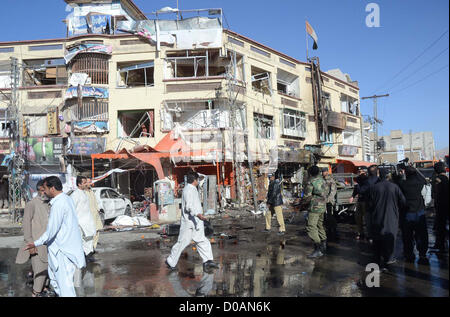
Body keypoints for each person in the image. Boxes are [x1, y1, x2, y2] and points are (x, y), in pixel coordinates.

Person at [24, 176, 86, 297]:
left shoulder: (59, 204)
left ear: (52, 189)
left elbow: (51, 231)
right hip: (63, 251)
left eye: (45, 188)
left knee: (65, 289)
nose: (44, 191)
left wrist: (35, 243)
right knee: (58, 284)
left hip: (62, 253)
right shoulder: (66, 199)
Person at [165, 171, 218, 272]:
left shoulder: (192, 189)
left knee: (202, 240)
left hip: (196, 222)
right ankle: (170, 261)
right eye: (197, 179)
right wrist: (198, 215)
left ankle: (207, 261)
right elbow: (189, 207)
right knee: (182, 242)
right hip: (189, 222)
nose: (198, 181)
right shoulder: (189, 190)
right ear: (194, 180)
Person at [16, 180, 53, 297]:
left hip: (48, 244)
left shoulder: (49, 203)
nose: (45, 193)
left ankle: (44, 289)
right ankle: (35, 293)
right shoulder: (32, 204)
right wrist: (30, 244)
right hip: (36, 245)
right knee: (40, 271)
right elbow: (26, 226)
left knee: (48, 270)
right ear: (39, 190)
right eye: (43, 190)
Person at [367, 169, 406, 270]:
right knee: (390, 237)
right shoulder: (394, 187)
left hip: (377, 216)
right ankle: (389, 258)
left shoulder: (374, 188)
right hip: (392, 216)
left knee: (378, 237)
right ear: (388, 176)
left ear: (379, 175)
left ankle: (378, 258)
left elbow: (369, 205)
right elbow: (403, 202)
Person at [398, 166, 429, 263]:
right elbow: (424, 180)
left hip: (407, 213)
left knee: (407, 235)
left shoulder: (402, 184)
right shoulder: (420, 183)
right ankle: (422, 254)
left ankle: (409, 254)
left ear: (406, 173)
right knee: (421, 235)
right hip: (419, 211)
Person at [70, 176, 97, 262]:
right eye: (84, 183)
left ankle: (89, 254)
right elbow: (72, 209)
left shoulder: (84, 193)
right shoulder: (75, 195)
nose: (86, 184)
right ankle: (85, 257)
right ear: (79, 184)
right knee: (82, 241)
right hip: (80, 223)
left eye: (86, 182)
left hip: (87, 221)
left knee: (89, 239)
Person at [303, 165, 327, 258]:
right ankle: (324, 244)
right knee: (319, 225)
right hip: (322, 206)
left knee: (311, 226)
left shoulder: (311, 182)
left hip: (314, 208)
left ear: (310, 173)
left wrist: (302, 203)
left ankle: (318, 249)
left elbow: (307, 196)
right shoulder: (322, 180)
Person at [431, 162, 449, 254]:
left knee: (440, 226)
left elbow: (437, 194)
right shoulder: (447, 178)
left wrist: (435, 205)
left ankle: (440, 245)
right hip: (447, 205)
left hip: (441, 206)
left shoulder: (438, 179)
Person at [85, 178, 103, 251]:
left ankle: (93, 247)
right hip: (88, 217)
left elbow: (95, 202)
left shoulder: (91, 191)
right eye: (89, 182)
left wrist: (98, 209)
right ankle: (89, 249)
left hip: (95, 215)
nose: (90, 183)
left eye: (90, 182)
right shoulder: (83, 193)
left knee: (97, 231)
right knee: (90, 233)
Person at [350, 168, 369, 240]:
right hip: (360, 200)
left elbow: (361, 190)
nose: (359, 173)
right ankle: (360, 232)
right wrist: (352, 196)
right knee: (358, 217)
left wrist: (357, 185)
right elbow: (356, 190)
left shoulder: (367, 180)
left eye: (361, 172)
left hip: (365, 200)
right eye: (359, 171)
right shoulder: (358, 179)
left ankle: (369, 233)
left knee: (366, 218)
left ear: (364, 172)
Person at [322, 168, 337, 242]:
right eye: (322, 172)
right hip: (322, 201)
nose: (323, 173)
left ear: (327, 172)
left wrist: (328, 199)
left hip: (329, 201)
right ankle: (327, 228)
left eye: (324, 172)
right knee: (323, 215)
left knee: (330, 215)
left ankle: (333, 228)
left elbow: (333, 191)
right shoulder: (321, 180)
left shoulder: (331, 180)